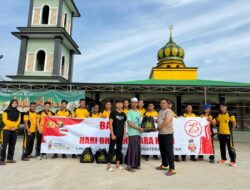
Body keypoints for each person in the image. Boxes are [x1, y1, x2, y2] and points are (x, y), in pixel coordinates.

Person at [156, 99, 176, 176]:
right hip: (161, 134)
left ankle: (172, 169)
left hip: (168, 134)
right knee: (162, 150)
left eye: (164, 103)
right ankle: (164, 165)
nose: (162, 104)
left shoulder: (169, 111)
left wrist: (159, 127)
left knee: (169, 151)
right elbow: (159, 120)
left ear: (168, 104)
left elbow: (167, 121)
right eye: (161, 103)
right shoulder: (160, 111)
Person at [107, 100, 127, 172]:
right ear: (116, 104)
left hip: (121, 134)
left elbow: (124, 124)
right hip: (114, 134)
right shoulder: (113, 112)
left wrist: (125, 133)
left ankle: (117, 164)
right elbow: (110, 124)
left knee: (119, 149)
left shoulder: (124, 114)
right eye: (119, 103)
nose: (120, 105)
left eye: (121, 104)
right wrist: (112, 133)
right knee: (111, 149)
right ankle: (109, 166)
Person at [0, 99, 21, 165]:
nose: (14, 104)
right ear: (11, 104)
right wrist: (11, 127)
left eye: (16, 103)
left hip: (14, 130)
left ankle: (10, 158)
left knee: (12, 145)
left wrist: (14, 127)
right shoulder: (5, 111)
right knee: (4, 145)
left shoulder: (18, 112)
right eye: (13, 103)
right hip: (6, 129)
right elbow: (5, 120)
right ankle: (2, 159)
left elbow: (18, 120)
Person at [216, 103, 237, 167]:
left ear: (226, 107)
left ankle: (233, 161)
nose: (221, 108)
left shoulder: (230, 114)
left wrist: (231, 130)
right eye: (220, 107)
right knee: (222, 147)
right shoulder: (219, 114)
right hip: (221, 134)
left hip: (228, 134)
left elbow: (234, 123)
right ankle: (224, 159)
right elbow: (216, 122)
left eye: (223, 107)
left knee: (230, 147)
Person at [126, 97, 143, 172]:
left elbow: (140, 123)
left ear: (137, 103)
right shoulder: (129, 112)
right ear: (131, 103)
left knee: (137, 149)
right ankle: (129, 166)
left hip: (138, 133)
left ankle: (136, 164)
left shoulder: (139, 112)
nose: (134, 104)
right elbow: (129, 123)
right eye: (133, 102)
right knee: (132, 149)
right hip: (132, 133)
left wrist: (141, 129)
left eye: (136, 102)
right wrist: (138, 128)